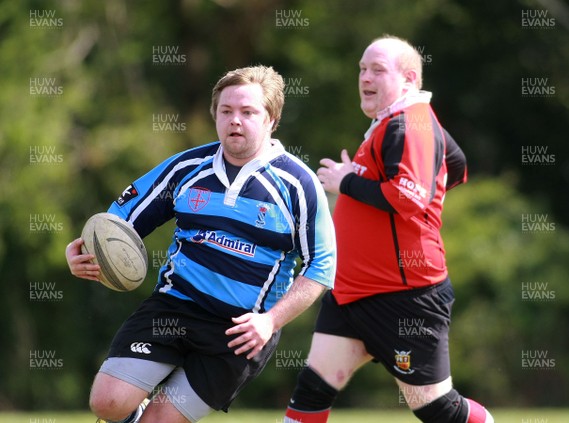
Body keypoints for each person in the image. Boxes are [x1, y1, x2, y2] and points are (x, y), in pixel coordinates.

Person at [66, 65, 336, 423]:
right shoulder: (187, 167)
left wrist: (270, 321)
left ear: (272, 119)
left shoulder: (297, 184)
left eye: (248, 112)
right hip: (174, 306)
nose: (235, 121)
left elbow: (322, 266)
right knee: (108, 402)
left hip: (240, 331)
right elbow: (117, 224)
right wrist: (86, 249)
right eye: (226, 111)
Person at [283, 36, 494, 423]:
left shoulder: (409, 121)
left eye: (378, 69)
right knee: (311, 391)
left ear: (409, 79)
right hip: (352, 293)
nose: (365, 76)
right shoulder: (397, 121)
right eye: (362, 69)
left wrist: (346, 181)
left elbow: (410, 197)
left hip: (403, 296)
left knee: (437, 408)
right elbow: (456, 163)